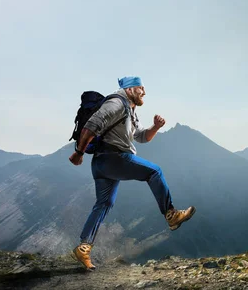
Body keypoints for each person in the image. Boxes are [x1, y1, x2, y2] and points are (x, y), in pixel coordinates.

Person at [68, 76, 196, 270]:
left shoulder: (130, 110)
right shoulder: (116, 104)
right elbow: (91, 125)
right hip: (114, 158)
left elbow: (142, 137)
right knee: (154, 172)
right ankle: (171, 215)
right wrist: (78, 153)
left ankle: (83, 247)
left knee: (104, 204)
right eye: (140, 88)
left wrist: (156, 127)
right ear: (129, 90)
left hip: (103, 164)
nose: (144, 91)